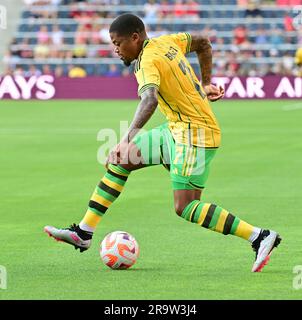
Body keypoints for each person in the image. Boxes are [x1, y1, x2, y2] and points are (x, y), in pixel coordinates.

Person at [44, 14, 281, 272]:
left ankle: (259, 236)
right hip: (177, 129)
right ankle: (84, 232)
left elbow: (150, 100)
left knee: (185, 206)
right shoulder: (167, 42)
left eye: (117, 42)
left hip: (196, 135)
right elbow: (203, 42)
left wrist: (125, 139)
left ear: (135, 38)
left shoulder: (147, 61)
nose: (115, 49)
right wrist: (206, 83)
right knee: (122, 161)